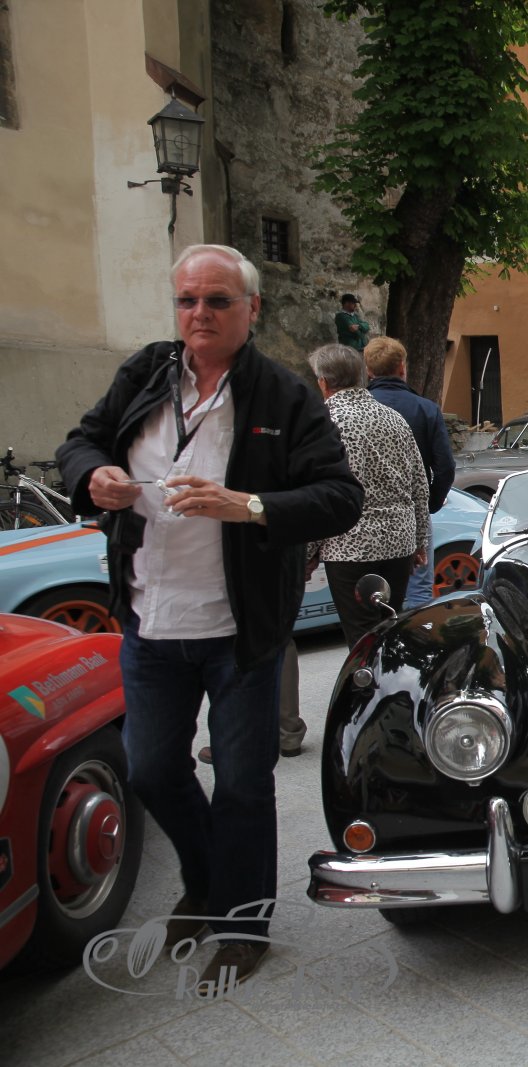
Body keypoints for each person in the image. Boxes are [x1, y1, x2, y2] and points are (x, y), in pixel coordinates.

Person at [57, 244, 363, 991]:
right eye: (187, 300)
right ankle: (203, 881)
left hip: (239, 630)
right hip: (150, 619)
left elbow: (339, 496)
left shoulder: (283, 395)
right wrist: (93, 476)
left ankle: (242, 925)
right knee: (152, 769)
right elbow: (81, 442)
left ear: (251, 308)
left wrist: (248, 505)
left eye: (218, 300)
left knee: (243, 785)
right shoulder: (146, 371)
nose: (200, 314)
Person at [307, 343, 431, 649]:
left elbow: (323, 493)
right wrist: (419, 541)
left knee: (362, 640)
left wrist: (307, 552)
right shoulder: (393, 418)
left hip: (350, 547)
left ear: (323, 382)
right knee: (389, 632)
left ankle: (369, 680)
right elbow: (419, 484)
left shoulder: (325, 422)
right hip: (398, 541)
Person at [364, 336, 456, 608]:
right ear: (402, 367)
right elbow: (445, 467)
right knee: (418, 590)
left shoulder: (357, 410)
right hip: (412, 513)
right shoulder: (425, 409)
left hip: (365, 514)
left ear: (368, 370)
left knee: (370, 594)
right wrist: (430, 504)